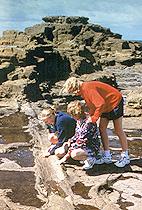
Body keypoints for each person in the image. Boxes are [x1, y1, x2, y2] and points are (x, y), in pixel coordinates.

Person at [60, 77, 130, 168]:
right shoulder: (83, 90)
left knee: (118, 130)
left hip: (114, 102)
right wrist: (90, 115)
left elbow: (100, 104)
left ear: (75, 87)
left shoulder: (87, 88)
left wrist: (94, 118)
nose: (75, 94)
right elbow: (93, 105)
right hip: (105, 106)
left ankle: (125, 156)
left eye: (73, 91)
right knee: (102, 129)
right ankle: (107, 155)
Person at [57, 100, 103, 170]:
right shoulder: (79, 121)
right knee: (59, 152)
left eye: (72, 115)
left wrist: (67, 155)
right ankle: (81, 158)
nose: (72, 117)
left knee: (74, 154)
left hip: (90, 146)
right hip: (80, 144)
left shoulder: (89, 123)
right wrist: (69, 141)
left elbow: (82, 141)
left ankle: (92, 159)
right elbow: (76, 135)